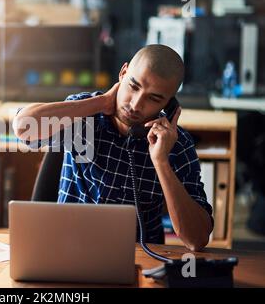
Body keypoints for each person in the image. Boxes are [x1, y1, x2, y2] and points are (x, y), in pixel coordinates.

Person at [13, 44, 213, 252]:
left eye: (154, 98)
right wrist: (101, 102)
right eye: (133, 86)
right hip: (67, 247)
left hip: (135, 257)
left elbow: (196, 239)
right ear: (123, 73)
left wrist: (161, 161)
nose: (135, 105)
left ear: (169, 105)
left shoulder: (176, 144)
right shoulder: (85, 111)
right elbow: (23, 127)